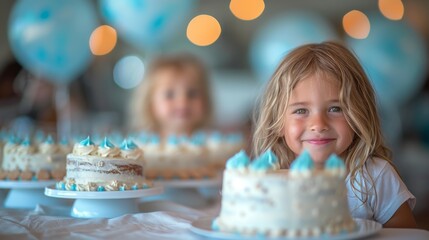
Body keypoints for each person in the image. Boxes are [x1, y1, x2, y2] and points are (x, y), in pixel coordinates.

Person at [252, 42, 417, 228]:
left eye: (335, 108)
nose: (319, 125)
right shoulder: (268, 179)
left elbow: (406, 234)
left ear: (359, 114)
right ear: (278, 123)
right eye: (300, 111)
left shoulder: (375, 177)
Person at [128, 53, 212, 137]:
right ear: (150, 104)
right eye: (169, 94)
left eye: (192, 93)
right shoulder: (142, 145)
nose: (183, 102)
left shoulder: (213, 144)